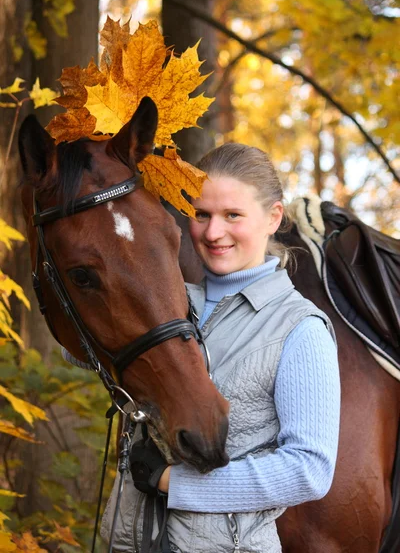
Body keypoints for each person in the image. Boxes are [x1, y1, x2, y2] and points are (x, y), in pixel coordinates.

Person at [100, 142, 341, 553]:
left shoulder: (299, 328)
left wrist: (173, 483)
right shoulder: (165, 305)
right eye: (201, 214)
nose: (213, 233)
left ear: (272, 217)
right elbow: (80, 350)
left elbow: (309, 470)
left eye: (233, 215)